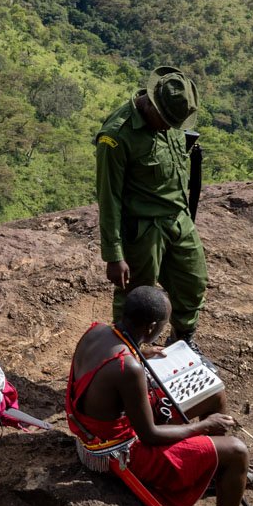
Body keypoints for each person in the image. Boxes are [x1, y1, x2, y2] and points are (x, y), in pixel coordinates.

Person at [66, 286, 253, 506]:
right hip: (117, 452)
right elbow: (150, 435)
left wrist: (140, 350)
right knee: (237, 451)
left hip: (112, 427)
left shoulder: (98, 331)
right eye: (161, 327)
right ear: (150, 327)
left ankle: (213, 471)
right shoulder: (128, 367)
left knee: (214, 394)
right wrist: (203, 426)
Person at [95, 66, 206, 346]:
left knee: (193, 283)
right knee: (137, 299)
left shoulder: (169, 119)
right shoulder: (117, 136)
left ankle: (182, 341)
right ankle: (126, 356)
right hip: (143, 229)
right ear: (151, 104)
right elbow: (109, 198)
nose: (170, 126)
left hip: (178, 220)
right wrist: (113, 254)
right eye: (166, 119)